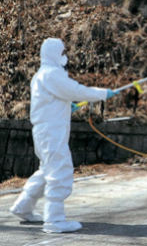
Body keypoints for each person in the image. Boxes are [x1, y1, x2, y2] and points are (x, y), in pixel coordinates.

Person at [9, 38, 118, 233]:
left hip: (44, 130)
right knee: (59, 170)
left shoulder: (41, 75)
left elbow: (53, 99)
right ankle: (55, 220)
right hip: (51, 131)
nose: (64, 56)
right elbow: (75, 90)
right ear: (54, 53)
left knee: (46, 170)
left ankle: (23, 207)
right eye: (62, 52)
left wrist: (68, 105)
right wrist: (102, 93)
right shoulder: (52, 74)